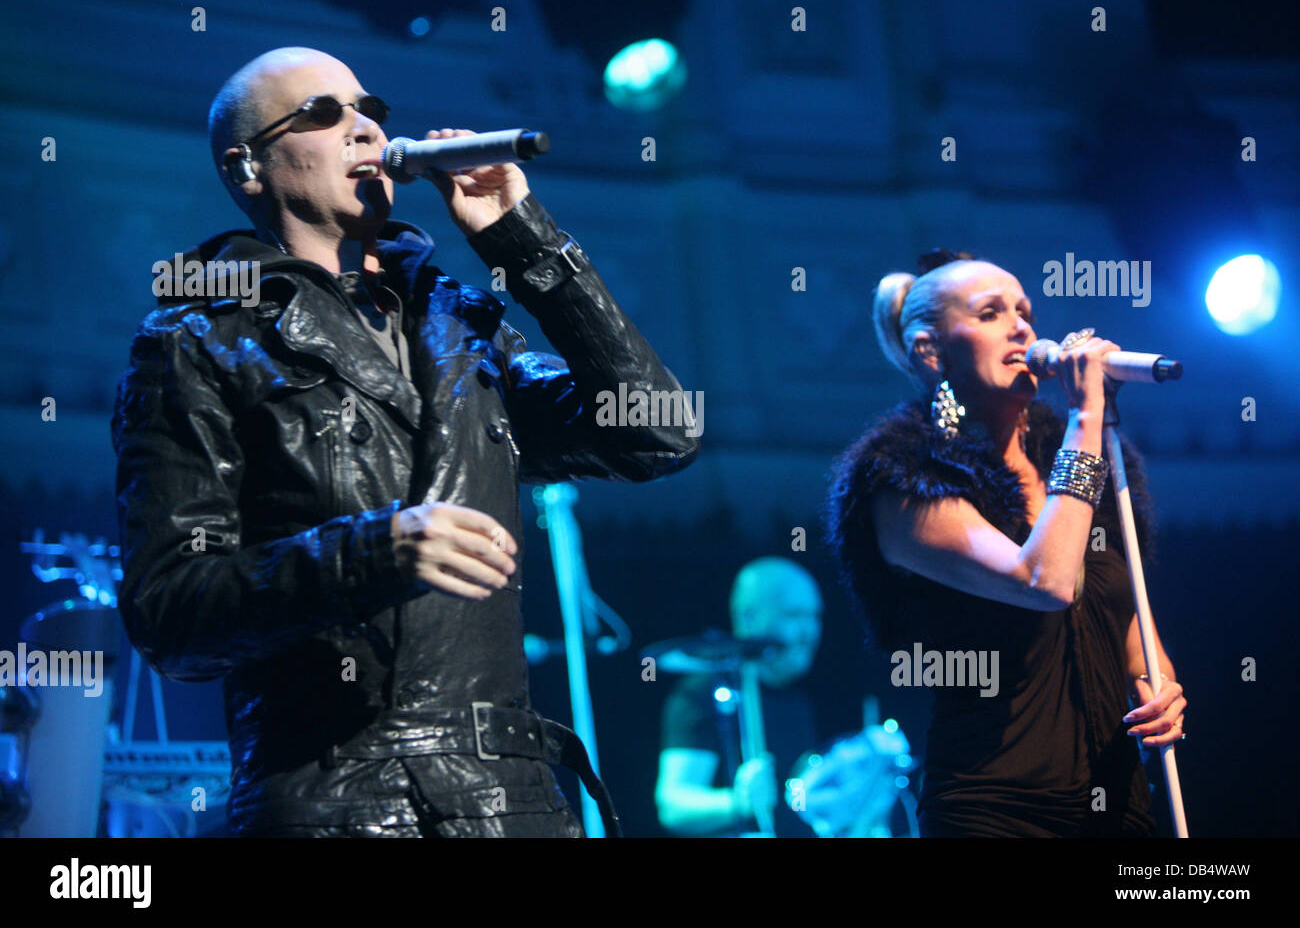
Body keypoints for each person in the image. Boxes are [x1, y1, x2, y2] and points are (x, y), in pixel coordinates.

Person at [111, 47, 699, 838]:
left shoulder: (458, 325)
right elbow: (170, 613)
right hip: (337, 806)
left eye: (370, 110)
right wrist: (374, 551)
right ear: (248, 167)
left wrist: (522, 242)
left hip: (513, 803)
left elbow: (658, 432)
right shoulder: (197, 342)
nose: (363, 128)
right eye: (324, 113)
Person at [825, 249, 1188, 837]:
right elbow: (1044, 580)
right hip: (993, 809)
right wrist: (1085, 419)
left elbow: (1128, 622)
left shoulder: (1075, 458)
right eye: (991, 312)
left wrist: (1161, 689)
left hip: (1118, 809)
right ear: (930, 350)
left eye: (1025, 310)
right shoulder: (902, 480)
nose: (1022, 326)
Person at [655, 557, 822, 837]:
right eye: (793, 615)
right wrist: (735, 802)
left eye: (815, 616)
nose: (809, 631)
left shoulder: (797, 703)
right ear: (749, 616)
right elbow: (672, 804)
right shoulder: (701, 694)